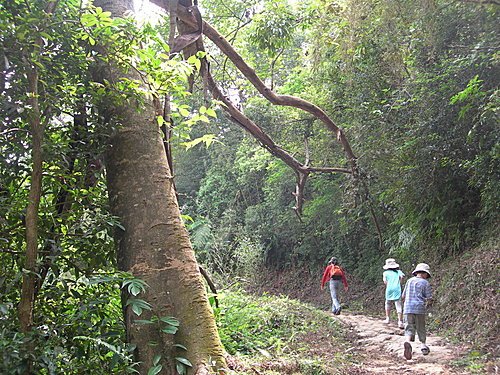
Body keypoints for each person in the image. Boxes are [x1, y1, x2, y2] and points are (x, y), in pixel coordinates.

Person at [401, 263, 432, 360]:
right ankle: (423, 345)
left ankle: (408, 342)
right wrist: (428, 304)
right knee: (420, 327)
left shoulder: (409, 281)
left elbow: (403, 296)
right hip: (419, 308)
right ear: (424, 273)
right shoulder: (425, 283)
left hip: (407, 308)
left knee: (409, 327)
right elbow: (429, 297)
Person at [382, 258, 405, 328]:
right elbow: (402, 277)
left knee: (388, 303)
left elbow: (385, 281)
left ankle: (388, 318)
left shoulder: (385, 273)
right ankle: (400, 321)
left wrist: (389, 284)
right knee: (398, 305)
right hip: (397, 288)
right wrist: (400, 283)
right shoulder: (399, 272)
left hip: (389, 288)